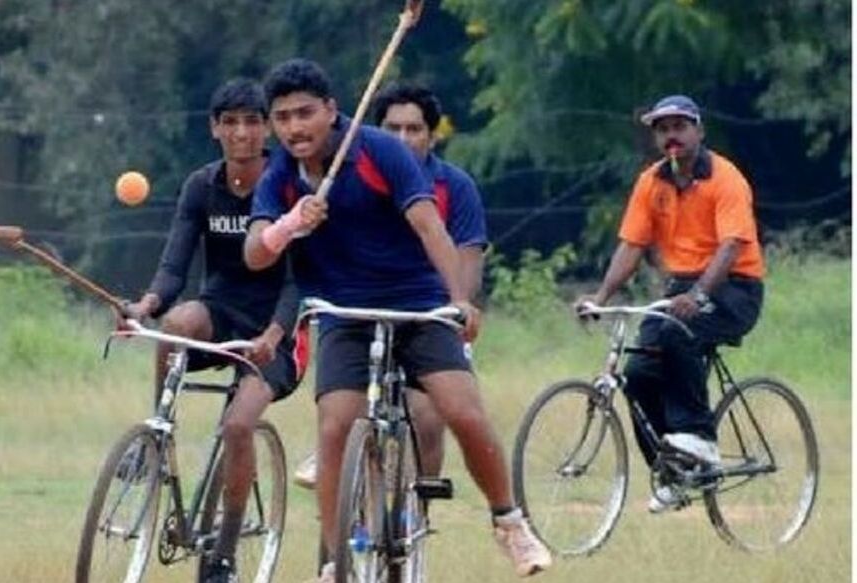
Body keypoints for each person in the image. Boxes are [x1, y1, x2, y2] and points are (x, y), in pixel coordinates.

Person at [244, 59, 551, 581]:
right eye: (283, 117)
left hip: (418, 302)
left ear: (331, 110)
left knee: (461, 410)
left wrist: (458, 300)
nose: (295, 127)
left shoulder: (380, 151)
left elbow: (431, 227)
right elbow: (255, 254)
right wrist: (292, 224)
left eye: (305, 113)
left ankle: (509, 520)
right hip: (344, 311)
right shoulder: (281, 176)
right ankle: (332, 558)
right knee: (335, 427)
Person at [120, 78, 304, 583]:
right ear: (214, 129)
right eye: (230, 123)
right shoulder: (202, 186)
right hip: (221, 309)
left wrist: (274, 334)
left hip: (278, 327)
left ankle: (222, 553)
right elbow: (175, 265)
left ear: (266, 128)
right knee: (178, 323)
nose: (241, 133)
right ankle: (156, 441)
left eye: (251, 121)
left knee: (239, 426)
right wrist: (148, 304)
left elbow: (298, 280)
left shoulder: (289, 189)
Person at [292, 81, 488, 488]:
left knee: (427, 415)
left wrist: (459, 306)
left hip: (430, 310)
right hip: (364, 305)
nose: (402, 139)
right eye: (392, 129)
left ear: (432, 136)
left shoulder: (456, 187)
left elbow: (468, 256)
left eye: (413, 130)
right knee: (343, 402)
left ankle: (418, 510)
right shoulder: (353, 176)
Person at [575, 95, 765, 513]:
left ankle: (699, 437)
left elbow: (732, 245)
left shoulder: (725, 178)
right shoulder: (651, 182)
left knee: (679, 334)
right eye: (662, 129)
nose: (671, 136)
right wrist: (601, 297)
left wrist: (699, 295)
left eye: (680, 126)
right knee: (639, 371)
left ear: (699, 131)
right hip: (678, 288)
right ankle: (675, 471)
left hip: (734, 286)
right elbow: (631, 246)